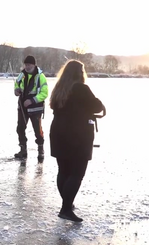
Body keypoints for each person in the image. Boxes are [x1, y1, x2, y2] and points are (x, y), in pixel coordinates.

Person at [49, 59, 106, 222]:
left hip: (58, 133)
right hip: (78, 135)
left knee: (63, 171)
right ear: (79, 73)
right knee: (77, 173)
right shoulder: (81, 88)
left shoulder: (59, 88)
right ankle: (66, 208)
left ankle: (67, 204)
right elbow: (98, 107)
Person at [13, 55, 49, 161]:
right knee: (20, 128)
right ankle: (23, 150)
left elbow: (44, 93)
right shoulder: (22, 75)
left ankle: (40, 150)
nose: (27, 67)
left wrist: (32, 100)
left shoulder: (40, 76)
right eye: (26, 65)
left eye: (29, 65)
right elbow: (17, 84)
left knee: (37, 130)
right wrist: (16, 90)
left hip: (35, 108)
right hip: (22, 107)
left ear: (34, 65)